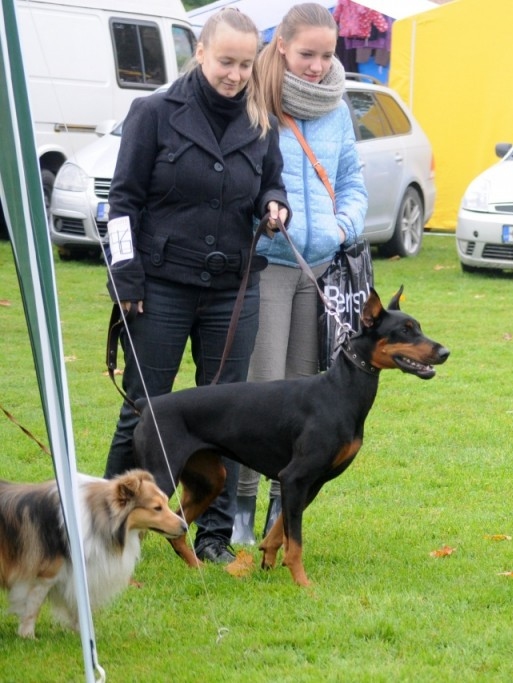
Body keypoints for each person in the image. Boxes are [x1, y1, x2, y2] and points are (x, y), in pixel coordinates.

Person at [103, 7, 289, 565]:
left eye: (244, 64)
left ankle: (211, 534)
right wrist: (126, 276)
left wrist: (274, 204)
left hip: (232, 290)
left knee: (227, 416)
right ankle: (103, 529)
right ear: (200, 53)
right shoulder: (153, 112)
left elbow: (270, 181)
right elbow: (121, 205)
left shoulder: (261, 120)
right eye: (225, 62)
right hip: (157, 286)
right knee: (143, 409)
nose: (234, 75)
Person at [232, 3, 368, 545]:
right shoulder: (252, 100)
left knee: (306, 403)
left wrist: (340, 228)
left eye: (327, 54)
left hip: (320, 272)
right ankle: (240, 510)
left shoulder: (337, 106)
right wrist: (260, 214)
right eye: (306, 54)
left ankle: (279, 513)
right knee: (261, 396)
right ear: (282, 46)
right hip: (266, 266)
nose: (316, 66)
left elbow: (354, 181)